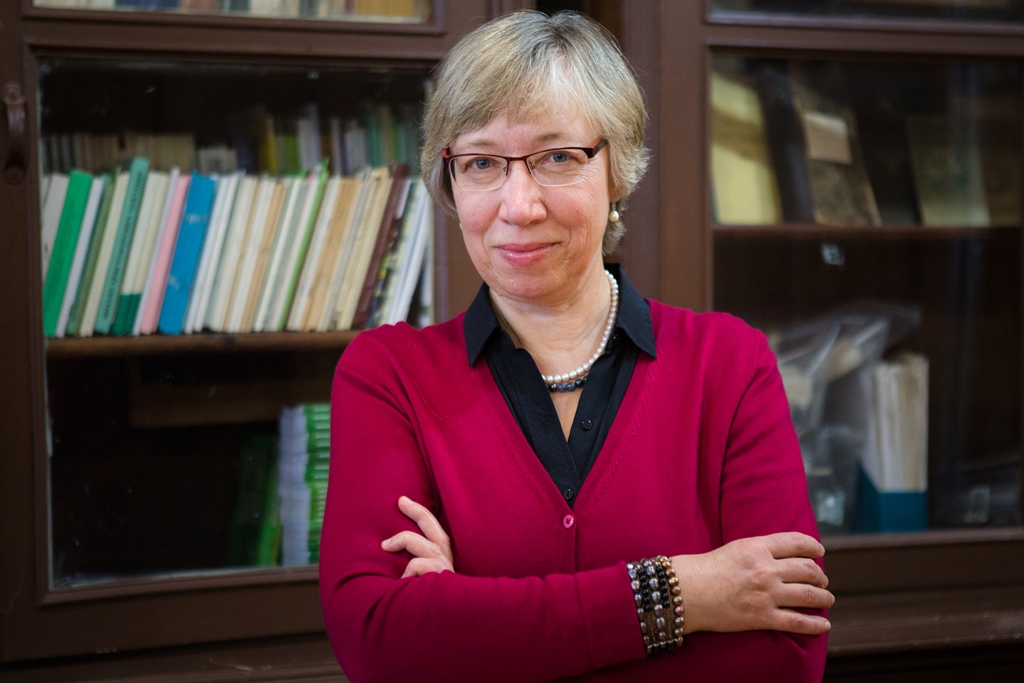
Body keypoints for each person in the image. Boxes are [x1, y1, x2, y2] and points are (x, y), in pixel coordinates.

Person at [320, 10, 833, 682]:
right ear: (450, 181)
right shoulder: (387, 376)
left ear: (617, 169)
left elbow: (785, 659)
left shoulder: (730, 365)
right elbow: (381, 643)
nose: (519, 205)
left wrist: (474, 621)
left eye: (558, 157)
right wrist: (685, 592)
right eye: (482, 163)